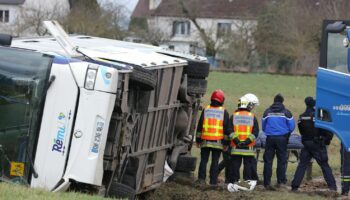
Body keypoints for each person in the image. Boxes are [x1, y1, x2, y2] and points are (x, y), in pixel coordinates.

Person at [291, 97, 337, 191]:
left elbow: (301, 131)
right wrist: (326, 140)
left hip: (306, 144)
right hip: (318, 144)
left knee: (302, 165)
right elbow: (328, 131)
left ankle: (294, 187)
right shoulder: (318, 116)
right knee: (324, 165)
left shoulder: (301, 116)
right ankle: (332, 187)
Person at [195, 89, 232, 186]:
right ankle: (213, 182)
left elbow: (200, 126)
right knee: (215, 162)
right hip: (218, 143)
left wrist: (198, 140)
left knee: (203, 161)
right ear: (222, 100)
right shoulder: (224, 112)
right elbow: (227, 130)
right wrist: (226, 143)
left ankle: (201, 180)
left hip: (205, 141)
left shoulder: (206, 109)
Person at [262, 93, 295, 189]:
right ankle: (280, 182)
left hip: (270, 138)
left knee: (268, 161)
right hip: (282, 139)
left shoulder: (267, 112)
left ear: (274, 101)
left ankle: (267, 183)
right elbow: (292, 127)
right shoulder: (286, 112)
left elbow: (263, 127)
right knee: (281, 161)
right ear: (282, 101)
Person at [228, 94, 259, 183]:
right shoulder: (252, 116)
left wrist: (237, 141)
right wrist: (247, 142)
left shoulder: (234, 115)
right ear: (247, 105)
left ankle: (235, 182)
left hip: (236, 147)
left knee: (235, 166)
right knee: (248, 166)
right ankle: (247, 182)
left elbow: (230, 130)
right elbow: (255, 133)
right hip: (248, 148)